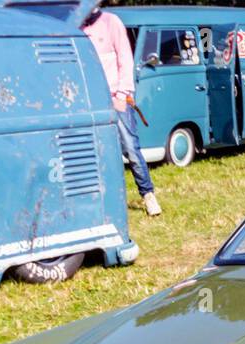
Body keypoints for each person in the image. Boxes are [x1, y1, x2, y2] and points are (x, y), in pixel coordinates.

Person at [82, 2, 159, 216]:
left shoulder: (111, 22)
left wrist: (123, 94)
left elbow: (125, 58)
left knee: (131, 149)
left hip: (117, 97)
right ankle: (104, 200)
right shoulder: (77, 27)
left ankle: (148, 195)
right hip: (91, 100)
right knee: (98, 152)